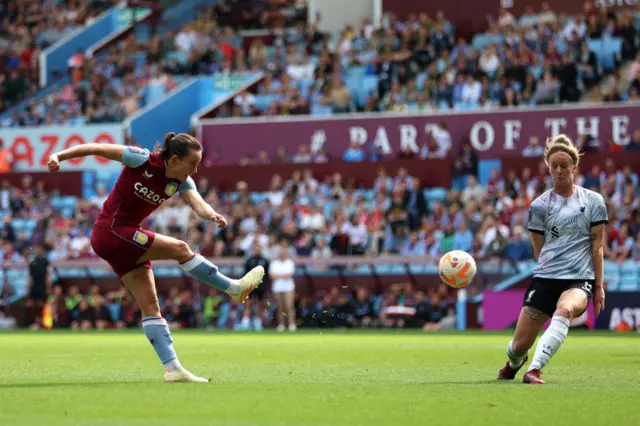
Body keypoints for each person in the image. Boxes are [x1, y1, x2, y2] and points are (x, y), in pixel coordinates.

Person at [47, 132, 264, 383]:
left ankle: (173, 369)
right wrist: (58, 156)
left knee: (151, 307)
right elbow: (97, 147)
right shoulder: (141, 160)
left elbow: (199, 204)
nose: (194, 170)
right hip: (111, 231)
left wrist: (213, 215)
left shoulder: (180, 181)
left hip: (124, 241)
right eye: (192, 163)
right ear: (174, 159)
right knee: (181, 249)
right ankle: (233, 288)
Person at [496, 134, 607, 384]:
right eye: (554, 166)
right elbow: (539, 251)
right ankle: (516, 361)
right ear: (548, 167)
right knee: (517, 345)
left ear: (574, 167)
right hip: (546, 277)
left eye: (564, 166)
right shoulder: (538, 207)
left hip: (580, 278)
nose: (559, 171)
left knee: (566, 309)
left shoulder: (593, 201)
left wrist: (598, 286)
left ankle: (534, 369)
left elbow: (597, 246)